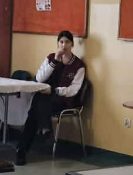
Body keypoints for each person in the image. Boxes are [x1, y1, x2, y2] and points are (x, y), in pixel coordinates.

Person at [14, 31, 85, 166]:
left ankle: (22, 148)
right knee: (38, 104)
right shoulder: (51, 57)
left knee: (36, 108)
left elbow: (73, 90)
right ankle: (44, 130)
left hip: (62, 99)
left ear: (72, 44)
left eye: (67, 42)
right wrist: (54, 62)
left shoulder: (79, 65)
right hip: (44, 97)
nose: (64, 45)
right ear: (58, 43)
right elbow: (39, 78)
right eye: (61, 42)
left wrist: (54, 91)